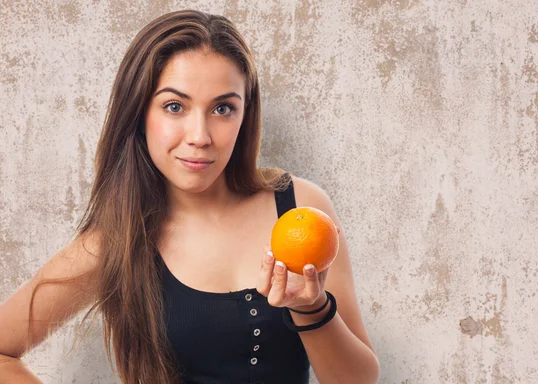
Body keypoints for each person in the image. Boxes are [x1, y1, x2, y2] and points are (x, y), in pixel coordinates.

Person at [0, 9, 379, 384]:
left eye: (222, 108)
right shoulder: (115, 242)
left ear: (245, 116)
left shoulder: (301, 208)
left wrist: (311, 308)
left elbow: (358, 380)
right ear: (139, 114)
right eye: (175, 106)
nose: (200, 135)